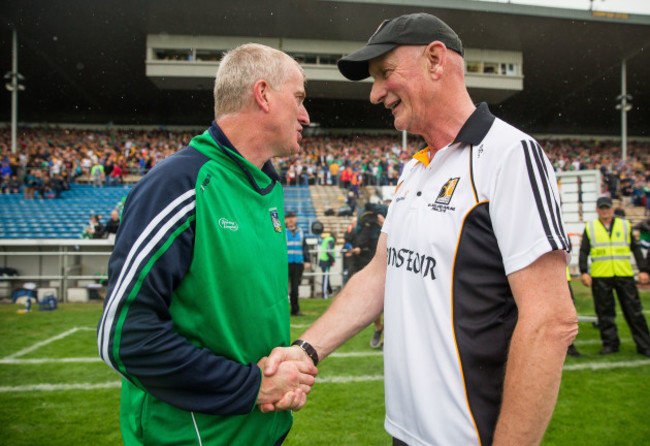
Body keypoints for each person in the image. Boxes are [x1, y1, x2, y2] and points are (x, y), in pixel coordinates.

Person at [264, 13, 577, 446]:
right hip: (405, 433)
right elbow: (379, 274)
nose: (375, 94)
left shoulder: (510, 154)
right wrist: (306, 349)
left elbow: (551, 321)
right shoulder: (415, 169)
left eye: (385, 73)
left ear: (435, 60)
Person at [97, 43, 317, 445]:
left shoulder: (267, 186)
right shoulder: (177, 185)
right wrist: (252, 386)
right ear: (263, 94)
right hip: (193, 436)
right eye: (299, 98)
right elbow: (125, 337)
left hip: (261, 431)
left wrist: (278, 379)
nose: (306, 115)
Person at [579, 196, 650, 357]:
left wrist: (643, 270)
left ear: (612, 209)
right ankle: (610, 344)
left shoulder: (625, 225)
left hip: (624, 274)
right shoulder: (590, 227)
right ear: (597, 210)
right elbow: (584, 251)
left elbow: (636, 249)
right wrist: (584, 271)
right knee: (605, 313)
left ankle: (645, 345)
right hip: (601, 275)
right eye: (601, 208)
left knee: (634, 312)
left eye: (607, 208)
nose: (605, 211)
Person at [285, 210, 311, 316]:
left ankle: (295, 310)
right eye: (289, 217)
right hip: (285, 264)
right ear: (285, 220)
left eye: (293, 217)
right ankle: (282, 311)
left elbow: (305, 247)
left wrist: (307, 260)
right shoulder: (281, 231)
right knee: (282, 288)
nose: (291, 219)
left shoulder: (301, 231)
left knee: (295, 288)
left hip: (297, 263)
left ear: (295, 219)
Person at [318, 231, 336, 299]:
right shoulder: (331, 240)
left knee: (326, 277)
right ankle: (324, 295)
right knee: (325, 278)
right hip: (326, 261)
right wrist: (333, 260)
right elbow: (329, 251)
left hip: (323, 260)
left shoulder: (326, 239)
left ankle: (330, 291)